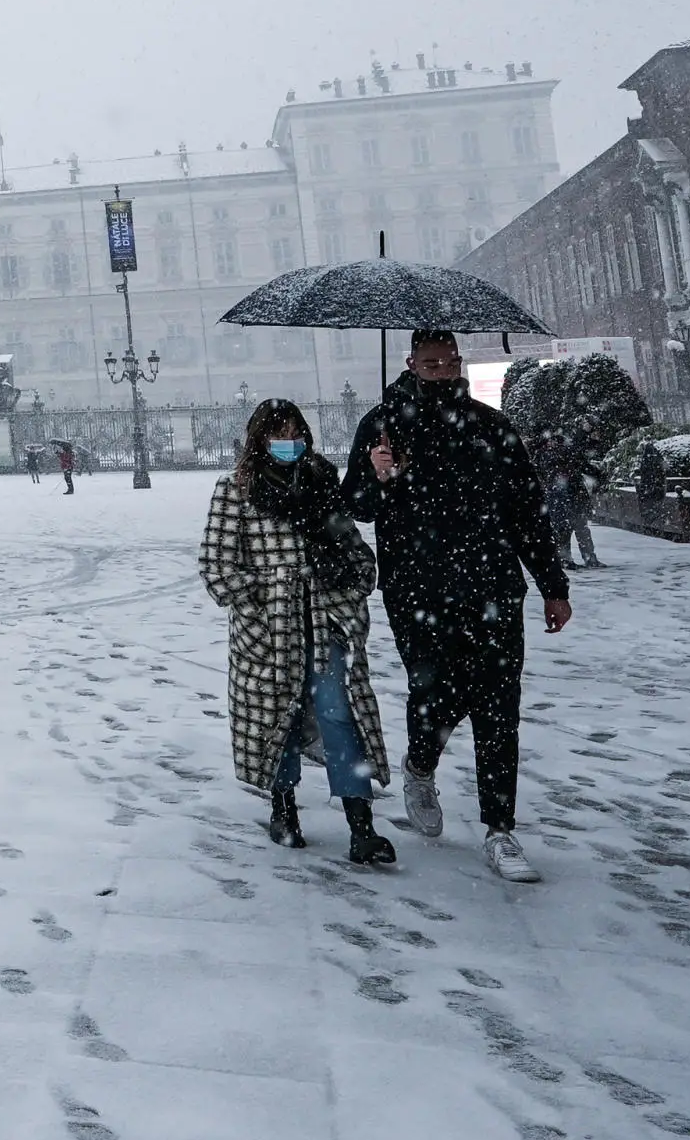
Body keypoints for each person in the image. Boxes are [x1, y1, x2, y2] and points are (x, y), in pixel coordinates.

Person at [347, 330, 573, 884]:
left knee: (499, 705)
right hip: (417, 589)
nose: (445, 371)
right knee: (437, 693)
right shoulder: (383, 427)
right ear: (411, 363)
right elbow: (355, 505)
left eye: (451, 362)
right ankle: (420, 765)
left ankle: (500, 829)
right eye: (432, 363)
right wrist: (378, 478)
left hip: (491, 585)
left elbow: (526, 510)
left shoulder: (492, 428)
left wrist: (552, 583)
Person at [202, 400, 396, 867]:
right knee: (278, 719)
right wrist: (264, 601)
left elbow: (357, 553)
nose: (290, 443)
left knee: (338, 714)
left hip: (325, 622)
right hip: (269, 632)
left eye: (296, 433)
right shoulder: (235, 491)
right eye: (278, 434)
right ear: (258, 440)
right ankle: (283, 808)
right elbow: (217, 567)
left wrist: (347, 578)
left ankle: (360, 824)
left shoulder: (321, 484)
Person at [541, 448, 602, 570]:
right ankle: (572, 559)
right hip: (565, 504)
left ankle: (577, 558)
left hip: (570, 504)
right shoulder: (560, 473)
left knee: (577, 531)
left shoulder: (568, 472)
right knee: (569, 532)